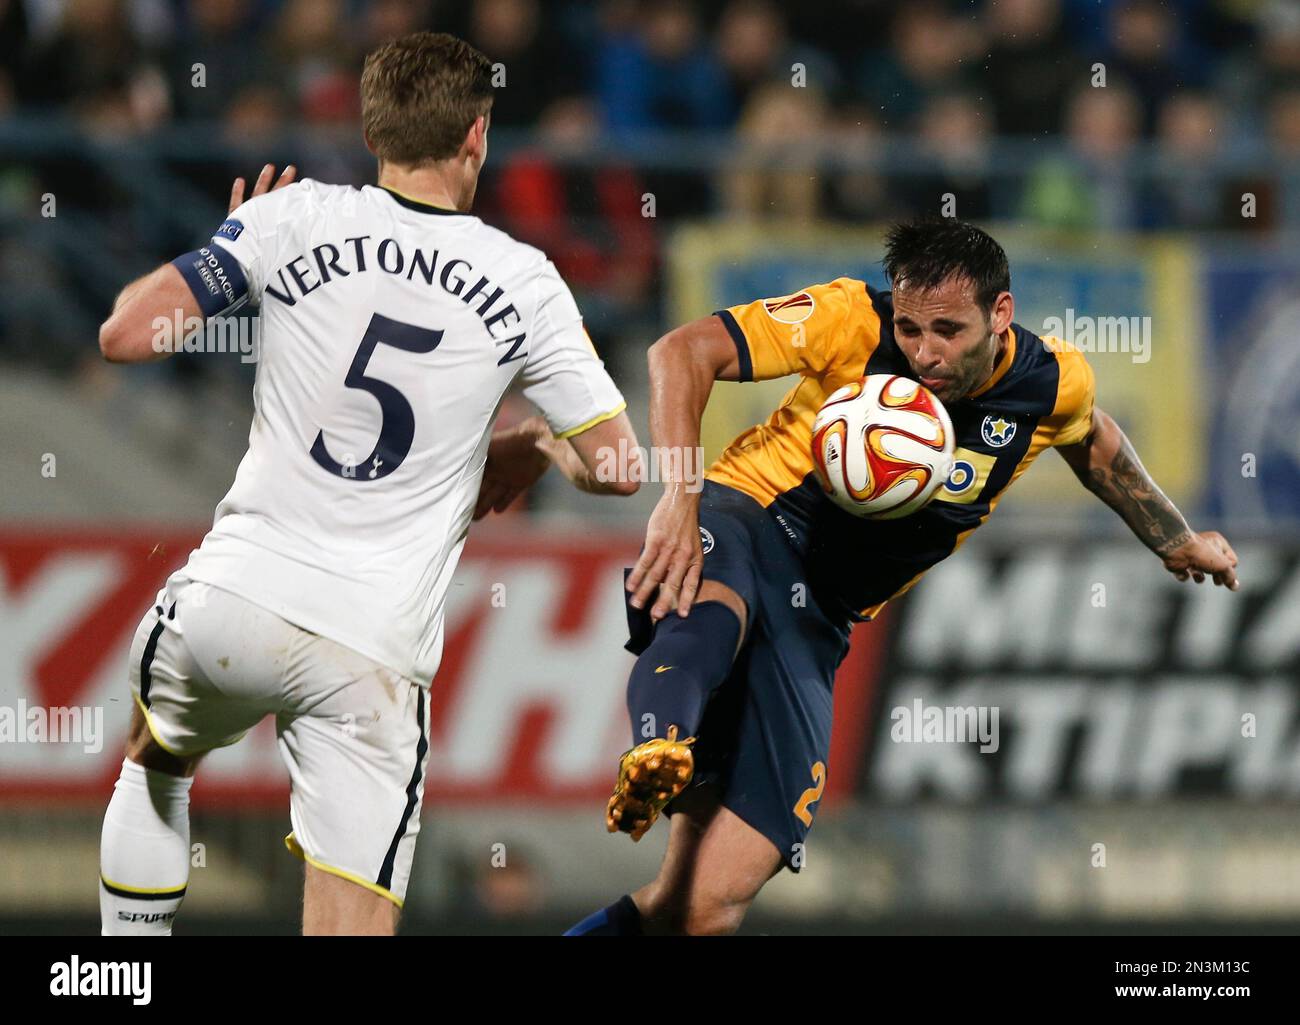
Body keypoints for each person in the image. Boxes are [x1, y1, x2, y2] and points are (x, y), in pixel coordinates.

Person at [96, 31, 638, 936]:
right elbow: (621, 469)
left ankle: (124, 971)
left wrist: (236, 246)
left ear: (372, 126)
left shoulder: (289, 216)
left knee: (156, 760)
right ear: (478, 135)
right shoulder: (527, 279)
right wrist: (539, 442)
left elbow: (125, 335)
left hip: (233, 600)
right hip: (372, 652)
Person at [567, 216, 1239, 936]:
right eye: (911, 328)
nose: (925, 353)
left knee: (701, 905)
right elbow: (682, 350)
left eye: (947, 330)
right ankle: (657, 738)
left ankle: (666, 762)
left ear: (1000, 313)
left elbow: (1095, 442)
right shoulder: (850, 317)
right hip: (750, 514)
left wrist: (1175, 537)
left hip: (819, 619)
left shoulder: (1051, 383)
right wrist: (680, 490)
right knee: (714, 603)